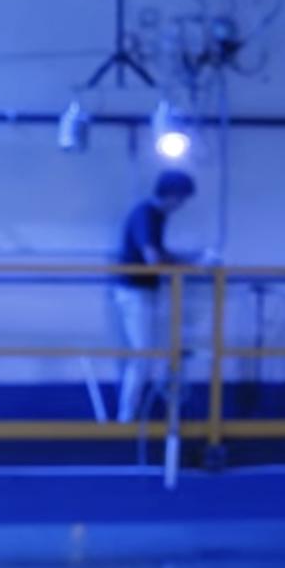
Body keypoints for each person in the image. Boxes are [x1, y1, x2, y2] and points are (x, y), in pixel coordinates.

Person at [108, 169, 201, 423]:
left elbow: (158, 255)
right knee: (143, 354)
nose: (181, 205)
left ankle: (131, 413)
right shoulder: (147, 215)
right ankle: (127, 416)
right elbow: (153, 258)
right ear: (172, 195)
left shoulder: (154, 216)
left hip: (141, 290)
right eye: (181, 199)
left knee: (145, 353)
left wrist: (189, 259)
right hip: (134, 291)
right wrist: (191, 265)